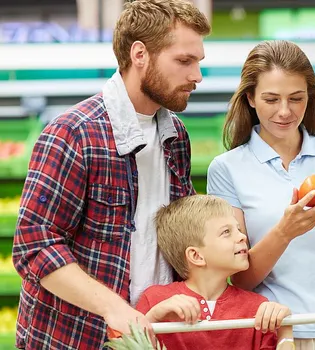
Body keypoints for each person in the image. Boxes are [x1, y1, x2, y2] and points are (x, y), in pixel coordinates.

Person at [11, 0, 210, 348]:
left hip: (150, 337)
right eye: (184, 61)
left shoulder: (175, 137)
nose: (197, 76)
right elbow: (35, 246)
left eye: (198, 62)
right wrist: (114, 308)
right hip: (75, 338)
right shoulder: (74, 133)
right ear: (139, 55)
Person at [207, 40, 315, 348]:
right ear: (250, 97)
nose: (285, 111)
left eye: (296, 98)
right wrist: (284, 232)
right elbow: (239, 279)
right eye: (271, 99)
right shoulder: (227, 168)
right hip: (275, 337)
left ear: (310, 98)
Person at [135, 194, 294, 350]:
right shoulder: (155, 300)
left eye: (238, 229)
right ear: (196, 256)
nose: (242, 237)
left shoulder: (258, 307)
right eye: (226, 232)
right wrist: (153, 317)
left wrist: (285, 330)